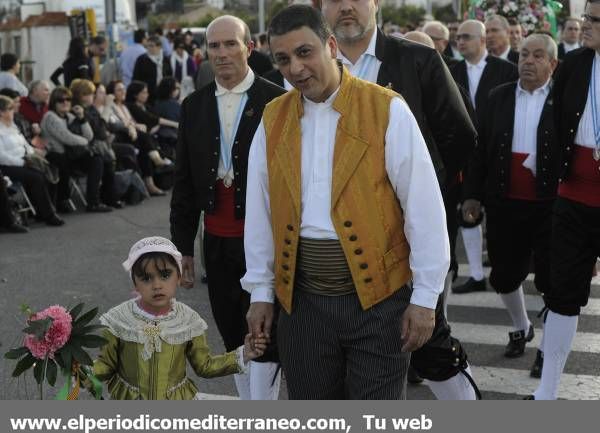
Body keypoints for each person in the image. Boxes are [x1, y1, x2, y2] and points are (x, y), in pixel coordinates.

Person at [243, 4, 449, 400]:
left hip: (380, 304)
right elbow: (261, 213)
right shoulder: (273, 118)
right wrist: (261, 294)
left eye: (305, 53)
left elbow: (424, 209)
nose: (295, 68)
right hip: (303, 307)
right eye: (283, 59)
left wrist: (425, 299)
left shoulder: (386, 108)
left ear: (331, 46)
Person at [319, 0, 479, 399]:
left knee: (428, 345)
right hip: (331, 249)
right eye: (334, 1)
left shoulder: (418, 61)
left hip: (402, 241)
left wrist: (420, 195)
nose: (346, 8)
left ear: (375, 3)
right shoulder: (308, 67)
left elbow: (459, 136)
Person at [170, 15, 286, 401]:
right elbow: (183, 183)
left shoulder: (278, 101)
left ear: (249, 47)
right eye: (214, 46)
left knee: (264, 335)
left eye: (230, 44)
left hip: (266, 241)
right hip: (216, 241)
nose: (221, 54)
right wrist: (182, 246)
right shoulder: (194, 106)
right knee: (233, 334)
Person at [462, 34, 559, 371]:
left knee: (553, 281)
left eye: (537, 56)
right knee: (504, 276)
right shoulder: (498, 96)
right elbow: (480, 150)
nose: (528, 62)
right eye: (523, 56)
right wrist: (472, 195)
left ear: (552, 64)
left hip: (550, 205)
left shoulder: (562, 99)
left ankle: (549, 346)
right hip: (504, 202)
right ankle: (521, 327)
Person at [527, 0, 600, 400]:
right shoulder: (573, 64)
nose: (583, 25)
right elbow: (553, 128)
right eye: (585, 17)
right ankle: (548, 391)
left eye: (593, 20)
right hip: (573, 197)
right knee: (562, 292)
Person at [93, 236, 267, 400]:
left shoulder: (188, 320)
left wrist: (244, 354)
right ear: (135, 283)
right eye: (146, 278)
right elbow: (105, 366)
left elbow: (204, 365)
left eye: (165, 275)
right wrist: (82, 370)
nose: (156, 285)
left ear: (178, 276)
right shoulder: (118, 320)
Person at [450, 20, 518, 295]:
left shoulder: (506, 70)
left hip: (498, 153)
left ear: (481, 40)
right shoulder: (450, 70)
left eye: (466, 37)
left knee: (503, 215)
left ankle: (508, 268)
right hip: (464, 152)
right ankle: (476, 274)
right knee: (467, 211)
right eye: (458, 37)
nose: (460, 42)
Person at [41, 87, 111, 213]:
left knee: (97, 159)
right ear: (53, 102)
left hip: (72, 155)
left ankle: (93, 202)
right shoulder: (50, 117)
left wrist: (82, 117)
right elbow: (67, 138)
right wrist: (85, 142)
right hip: (56, 155)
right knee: (62, 160)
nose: (65, 102)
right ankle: (62, 201)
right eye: (60, 100)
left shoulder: (70, 116)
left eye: (68, 99)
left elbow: (89, 135)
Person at [0, 95, 64, 226]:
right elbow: (2, 156)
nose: (14, 110)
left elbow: (25, 145)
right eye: (10, 108)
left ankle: (43, 211)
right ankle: (49, 215)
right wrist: (21, 162)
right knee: (36, 177)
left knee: (50, 170)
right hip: (8, 166)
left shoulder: (13, 126)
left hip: (25, 160)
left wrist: (35, 152)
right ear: (1, 112)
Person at [105, 80, 168, 195]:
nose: (123, 91)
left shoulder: (124, 106)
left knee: (145, 150)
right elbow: (117, 124)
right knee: (145, 137)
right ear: (112, 93)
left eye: (123, 89)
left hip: (132, 135)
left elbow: (131, 122)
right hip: (121, 136)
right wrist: (133, 127)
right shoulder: (111, 107)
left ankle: (150, 184)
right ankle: (157, 157)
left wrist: (136, 125)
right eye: (119, 89)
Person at [70, 79, 121, 209]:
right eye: (90, 93)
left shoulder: (91, 108)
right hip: (78, 151)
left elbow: (101, 131)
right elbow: (97, 131)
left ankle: (109, 197)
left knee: (108, 160)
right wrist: (108, 109)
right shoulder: (77, 110)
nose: (93, 96)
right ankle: (93, 202)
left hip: (92, 146)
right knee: (97, 160)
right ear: (82, 95)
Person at [132, 35, 173, 103]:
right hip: (147, 95)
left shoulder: (165, 59)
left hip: (163, 94)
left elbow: (169, 75)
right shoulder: (142, 59)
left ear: (159, 47)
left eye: (151, 46)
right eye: (147, 46)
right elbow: (136, 78)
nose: (149, 48)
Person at [19, 80, 50, 148]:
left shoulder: (48, 107)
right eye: (46, 90)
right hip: (24, 142)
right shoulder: (19, 103)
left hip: (44, 142)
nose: (49, 93)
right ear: (35, 91)